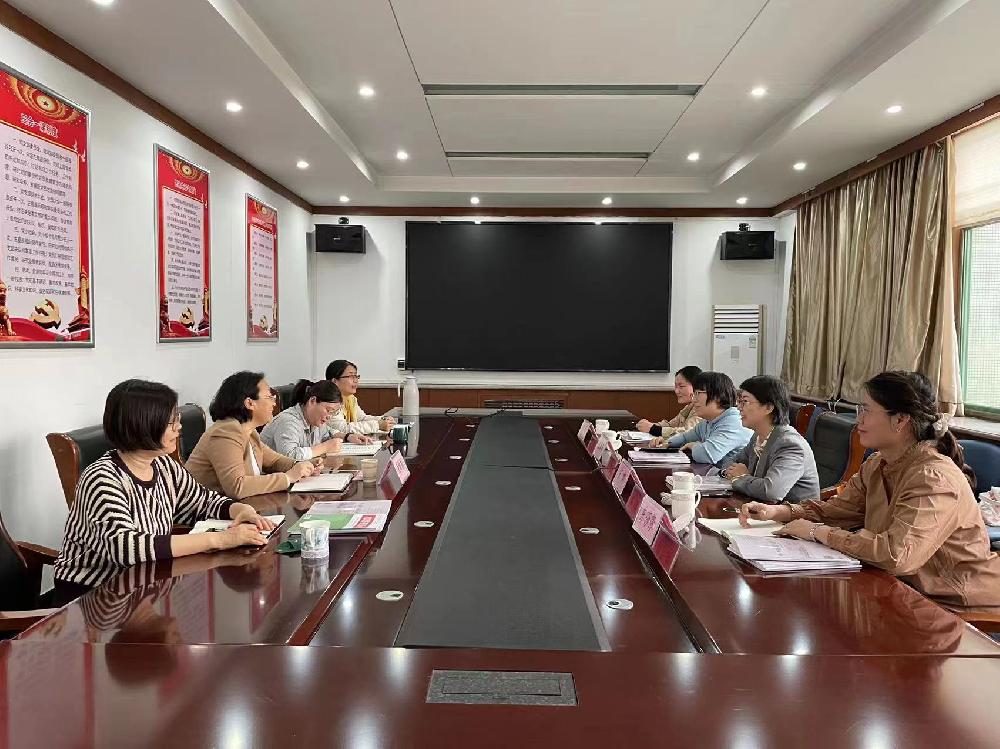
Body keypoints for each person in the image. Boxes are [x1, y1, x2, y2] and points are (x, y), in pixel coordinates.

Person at [740, 371, 1000, 613]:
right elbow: (839, 510)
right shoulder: (878, 463)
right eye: (859, 410)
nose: (858, 420)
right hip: (899, 586)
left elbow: (897, 556)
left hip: (949, 599)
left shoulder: (932, 477)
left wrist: (816, 532)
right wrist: (780, 512)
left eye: (866, 410)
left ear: (900, 420)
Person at [53, 380, 276, 599]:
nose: (179, 427)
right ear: (143, 425)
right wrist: (221, 540)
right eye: (171, 422)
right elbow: (127, 547)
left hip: (143, 584)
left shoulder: (162, 464)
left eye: (177, 418)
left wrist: (240, 510)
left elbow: (202, 502)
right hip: (93, 593)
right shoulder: (102, 477)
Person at [186, 371, 317, 500]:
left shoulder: (249, 432)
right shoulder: (225, 433)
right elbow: (237, 487)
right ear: (249, 403)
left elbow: (274, 461)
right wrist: (288, 478)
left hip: (240, 506)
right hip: (202, 511)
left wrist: (303, 466)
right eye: (269, 397)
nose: (274, 403)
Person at [720, 375, 820, 503]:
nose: (739, 407)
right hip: (759, 507)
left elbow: (771, 491)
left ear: (768, 407)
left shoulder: (790, 444)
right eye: (739, 401)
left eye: (745, 401)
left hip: (791, 514)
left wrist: (741, 477)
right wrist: (734, 473)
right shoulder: (758, 436)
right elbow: (731, 461)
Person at [261, 379, 373, 460]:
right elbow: (289, 455)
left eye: (333, 412)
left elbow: (328, 433)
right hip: (269, 480)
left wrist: (348, 436)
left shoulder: (314, 420)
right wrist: (325, 447)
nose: (329, 416)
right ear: (312, 401)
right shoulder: (289, 421)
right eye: (328, 410)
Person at [664, 371, 752, 466]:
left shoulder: (734, 422)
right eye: (693, 394)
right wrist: (667, 443)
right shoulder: (707, 421)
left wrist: (693, 446)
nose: (694, 400)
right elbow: (685, 438)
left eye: (698, 393)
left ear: (718, 397)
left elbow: (707, 455)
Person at [325, 359, 395, 435]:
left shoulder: (351, 399)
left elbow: (361, 418)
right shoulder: (328, 401)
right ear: (335, 381)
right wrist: (377, 425)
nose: (356, 380)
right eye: (351, 376)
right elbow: (342, 429)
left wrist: (382, 419)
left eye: (356, 376)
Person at [637, 366, 702, 444]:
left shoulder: (702, 408)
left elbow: (689, 433)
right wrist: (649, 425)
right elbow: (671, 425)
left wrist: (653, 429)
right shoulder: (689, 407)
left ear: (696, 387)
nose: (676, 391)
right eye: (675, 386)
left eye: (681, 386)